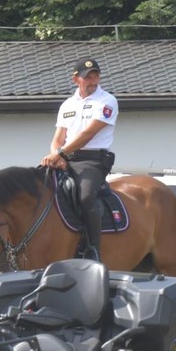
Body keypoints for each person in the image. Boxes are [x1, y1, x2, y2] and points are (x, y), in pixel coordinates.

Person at [40, 58, 118, 261]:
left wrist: (61, 153)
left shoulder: (107, 101)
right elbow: (58, 136)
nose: (93, 81)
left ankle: (93, 249)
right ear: (76, 79)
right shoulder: (67, 104)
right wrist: (56, 154)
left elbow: (88, 134)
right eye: (87, 77)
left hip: (93, 160)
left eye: (96, 76)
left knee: (85, 196)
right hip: (65, 156)